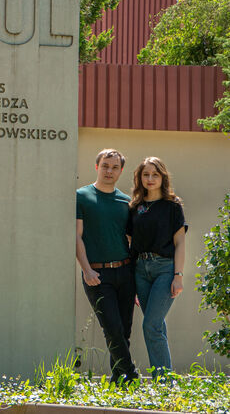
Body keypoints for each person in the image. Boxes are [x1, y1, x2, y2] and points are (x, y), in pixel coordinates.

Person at [76, 148, 139, 384]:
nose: (109, 171)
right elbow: (77, 236)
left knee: (124, 332)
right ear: (97, 167)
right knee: (111, 328)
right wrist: (86, 269)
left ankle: (118, 380)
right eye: (105, 166)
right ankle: (131, 375)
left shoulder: (126, 201)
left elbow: (132, 241)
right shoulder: (81, 196)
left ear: (120, 171)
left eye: (114, 167)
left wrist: (137, 277)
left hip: (125, 272)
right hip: (97, 274)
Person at [128, 157, 186, 378]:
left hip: (165, 269)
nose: (150, 179)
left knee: (151, 326)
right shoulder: (135, 207)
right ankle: (164, 383)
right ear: (140, 178)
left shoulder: (173, 206)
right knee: (156, 326)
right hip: (140, 271)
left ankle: (165, 384)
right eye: (146, 174)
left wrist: (178, 276)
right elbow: (131, 243)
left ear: (162, 177)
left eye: (155, 174)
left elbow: (180, 243)